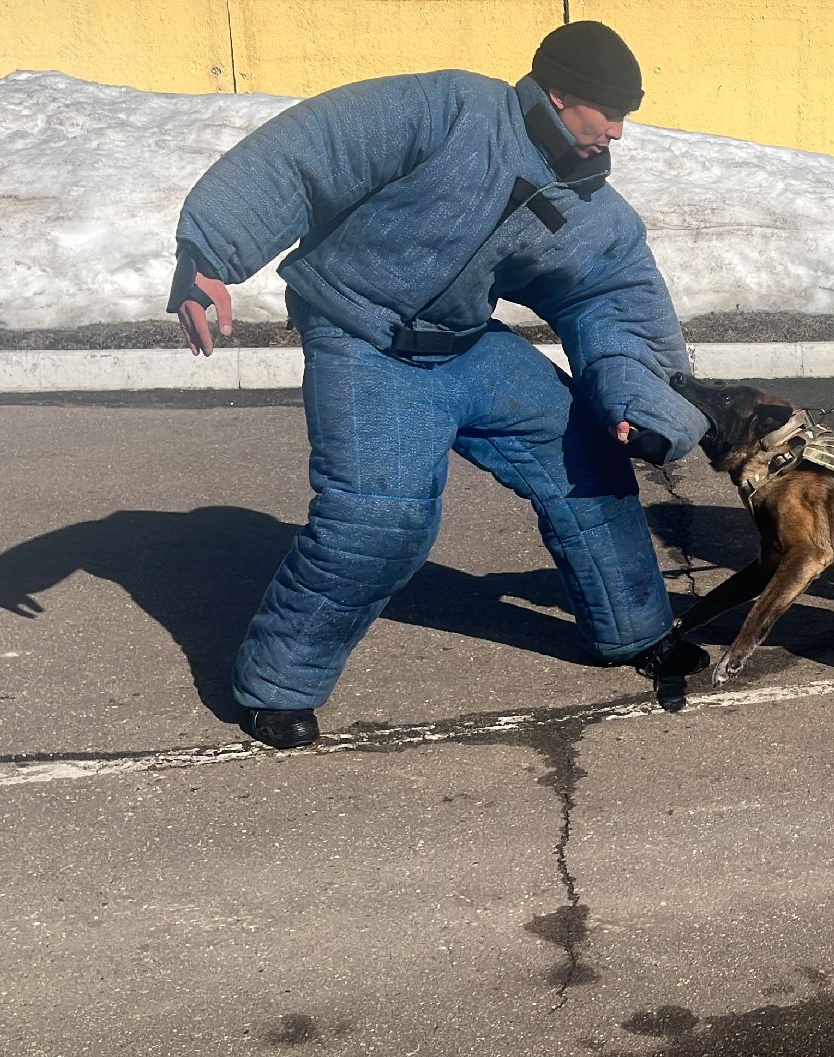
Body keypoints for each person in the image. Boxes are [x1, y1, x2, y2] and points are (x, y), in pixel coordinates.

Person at [168, 21, 710, 749]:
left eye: (624, 117)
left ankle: (637, 631)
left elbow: (611, 296)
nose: (617, 132)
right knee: (381, 520)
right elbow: (310, 152)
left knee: (587, 459)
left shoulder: (584, 196)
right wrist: (208, 256)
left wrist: (641, 406)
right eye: (608, 113)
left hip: (465, 346)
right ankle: (277, 687)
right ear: (559, 94)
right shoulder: (450, 110)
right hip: (365, 341)